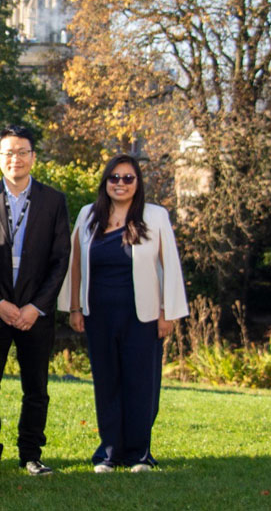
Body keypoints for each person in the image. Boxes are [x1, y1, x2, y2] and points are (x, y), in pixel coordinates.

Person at [58, 154, 189, 473]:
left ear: (138, 183)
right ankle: (109, 452)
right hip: (98, 315)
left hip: (142, 317)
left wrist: (167, 312)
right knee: (107, 383)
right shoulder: (89, 214)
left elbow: (170, 265)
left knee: (140, 384)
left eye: (128, 178)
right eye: (114, 177)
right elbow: (75, 263)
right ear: (105, 182)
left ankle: (139, 454)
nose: (120, 183)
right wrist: (74, 307)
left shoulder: (155, 216)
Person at [0, 125, 70, 477]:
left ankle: (31, 453)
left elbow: (61, 260)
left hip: (35, 312)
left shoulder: (53, 201)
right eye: (9, 152)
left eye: (23, 152)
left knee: (36, 388)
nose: (16, 158)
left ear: (33, 156)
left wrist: (36, 306)